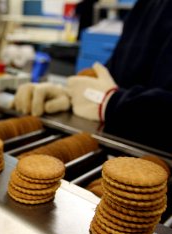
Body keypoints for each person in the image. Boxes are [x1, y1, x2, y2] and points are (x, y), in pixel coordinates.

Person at [11, 0, 172, 153]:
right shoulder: (145, 6)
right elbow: (116, 72)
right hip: (119, 148)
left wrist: (111, 102)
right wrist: (72, 93)